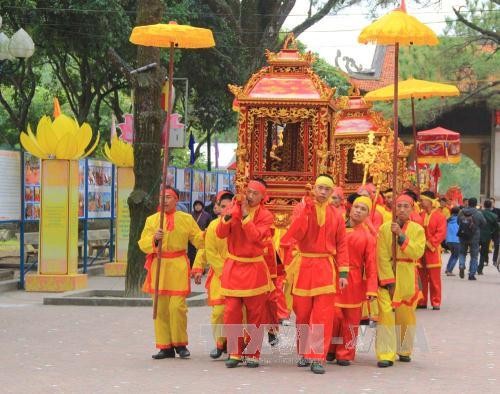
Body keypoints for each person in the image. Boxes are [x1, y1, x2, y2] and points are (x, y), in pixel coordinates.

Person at [283, 174, 349, 374]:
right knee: (302, 314)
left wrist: (343, 272)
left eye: (327, 189)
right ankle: (303, 352)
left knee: (323, 315)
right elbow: (296, 233)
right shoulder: (301, 208)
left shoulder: (336, 214)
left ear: (332, 192)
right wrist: (305, 210)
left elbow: (342, 244)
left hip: (325, 267)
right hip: (303, 265)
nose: (322, 192)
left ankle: (317, 356)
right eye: (319, 188)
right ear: (314, 189)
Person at [139, 186, 205, 360]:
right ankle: (165, 346)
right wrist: (154, 238)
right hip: (159, 266)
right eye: (162, 197)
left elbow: (198, 239)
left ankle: (180, 343)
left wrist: (210, 234)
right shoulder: (152, 220)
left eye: (168, 197)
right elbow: (142, 243)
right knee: (160, 309)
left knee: (177, 308)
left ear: (176, 199)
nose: (165, 200)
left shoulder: (186, 219)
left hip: (178, 266)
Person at [217, 179, 274, 369]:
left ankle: (253, 352)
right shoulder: (233, 209)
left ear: (262, 197)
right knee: (231, 311)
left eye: (255, 193)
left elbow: (257, 238)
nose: (250, 196)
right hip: (234, 266)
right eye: (248, 192)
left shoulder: (266, 216)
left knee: (255, 314)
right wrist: (231, 214)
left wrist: (245, 217)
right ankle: (234, 351)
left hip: (254, 268)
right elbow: (220, 233)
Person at [376, 194, 425, 368]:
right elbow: (381, 256)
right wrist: (388, 280)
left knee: (406, 315)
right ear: (394, 208)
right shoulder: (384, 228)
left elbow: (417, 252)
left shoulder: (418, 229)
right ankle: (386, 353)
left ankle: (404, 349)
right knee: (386, 316)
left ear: (412, 209)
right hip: (388, 276)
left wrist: (401, 237)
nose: (402, 209)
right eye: (399, 206)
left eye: (406, 206)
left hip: (408, 275)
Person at [327, 196, 377, 366]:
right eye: (356, 207)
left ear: (368, 214)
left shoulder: (368, 237)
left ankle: (345, 353)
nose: (358, 211)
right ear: (350, 207)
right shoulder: (336, 227)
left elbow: (371, 264)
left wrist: (371, 289)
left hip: (354, 281)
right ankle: (330, 349)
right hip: (333, 276)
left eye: (363, 209)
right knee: (333, 315)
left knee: (351, 320)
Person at [192, 190, 234, 359]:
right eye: (222, 206)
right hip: (221, 275)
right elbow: (208, 251)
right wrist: (198, 267)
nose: (226, 209)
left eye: (229, 206)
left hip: (240, 274)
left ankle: (237, 344)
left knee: (240, 312)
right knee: (219, 312)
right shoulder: (213, 227)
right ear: (217, 207)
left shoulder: (241, 224)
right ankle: (220, 342)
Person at [418, 191, 447, 310]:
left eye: (422, 200)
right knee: (422, 278)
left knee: (434, 279)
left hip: (432, 250)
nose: (420, 202)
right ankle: (422, 301)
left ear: (430, 201)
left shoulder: (440, 216)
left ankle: (436, 301)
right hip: (420, 251)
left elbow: (441, 233)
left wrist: (429, 244)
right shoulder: (421, 215)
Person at [458, 197, 486, 280]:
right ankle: (471, 274)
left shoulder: (461, 212)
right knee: (474, 256)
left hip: (463, 235)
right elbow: (484, 223)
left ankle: (461, 265)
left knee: (462, 252)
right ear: (476, 204)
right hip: (474, 237)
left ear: (468, 203)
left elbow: (458, 221)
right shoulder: (479, 213)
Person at [188, 200, 212, 266]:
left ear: (202, 206)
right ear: (194, 206)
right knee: (192, 253)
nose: (197, 207)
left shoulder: (207, 215)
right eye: (196, 205)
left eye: (199, 205)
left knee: (201, 253)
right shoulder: (190, 215)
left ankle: (201, 267)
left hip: (202, 237)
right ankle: (192, 266)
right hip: (192, 237)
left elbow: (209, 225)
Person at [478, 199, 498, 275]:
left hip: (477, 235)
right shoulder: (494, 216)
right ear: (490, 206)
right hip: (487, 236)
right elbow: (496, 227)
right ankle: (480, 269)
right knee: (483, 253)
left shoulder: (479, 213)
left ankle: (472, 267)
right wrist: (491, 232)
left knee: (474, 252)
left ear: (484, 205)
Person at [444, 207, 461, 276]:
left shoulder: (448, 220)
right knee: (456, 256)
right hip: (456, 240)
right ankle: (449, 271)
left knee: (453, 255)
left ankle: (447, 269)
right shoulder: (459, 220)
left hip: (448, 240)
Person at [489, 197, 500, 268]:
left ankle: (494, 260)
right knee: (485, 246)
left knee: (497, 245)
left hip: (496, 231)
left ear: (494, 203)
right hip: (488, 231)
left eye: (492, 202)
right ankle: (485, 260)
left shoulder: (498, 210)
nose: (491, 203)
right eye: (490, 202)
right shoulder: (485, 211)